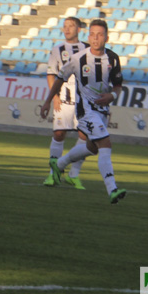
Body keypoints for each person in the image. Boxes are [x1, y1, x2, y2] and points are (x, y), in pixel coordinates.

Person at [38, 19, 127, 204]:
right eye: (92, 34)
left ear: (107, 37)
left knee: (92, 148)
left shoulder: (113, 58)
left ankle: (60, 164)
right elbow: (60, 79)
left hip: (102, 110)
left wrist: (112, 96)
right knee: (105, 144)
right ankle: (112, 189)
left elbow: (118, 85)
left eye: (100, 34)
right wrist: (48, 101)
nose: (95, 38)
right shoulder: (78, 59)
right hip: (85, 111)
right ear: (88, 37)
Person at [41, 17, 90, 188]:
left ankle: (73, 174)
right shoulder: (57, 49)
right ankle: (52, 174)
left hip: (83, 101)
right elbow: (51, 73)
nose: (67, 29)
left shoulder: (88, 49)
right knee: (59, 134)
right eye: (65, 26)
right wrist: (54, 97)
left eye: (71, 26)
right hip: (63, 99)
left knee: (85, 137)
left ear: (79, 29)